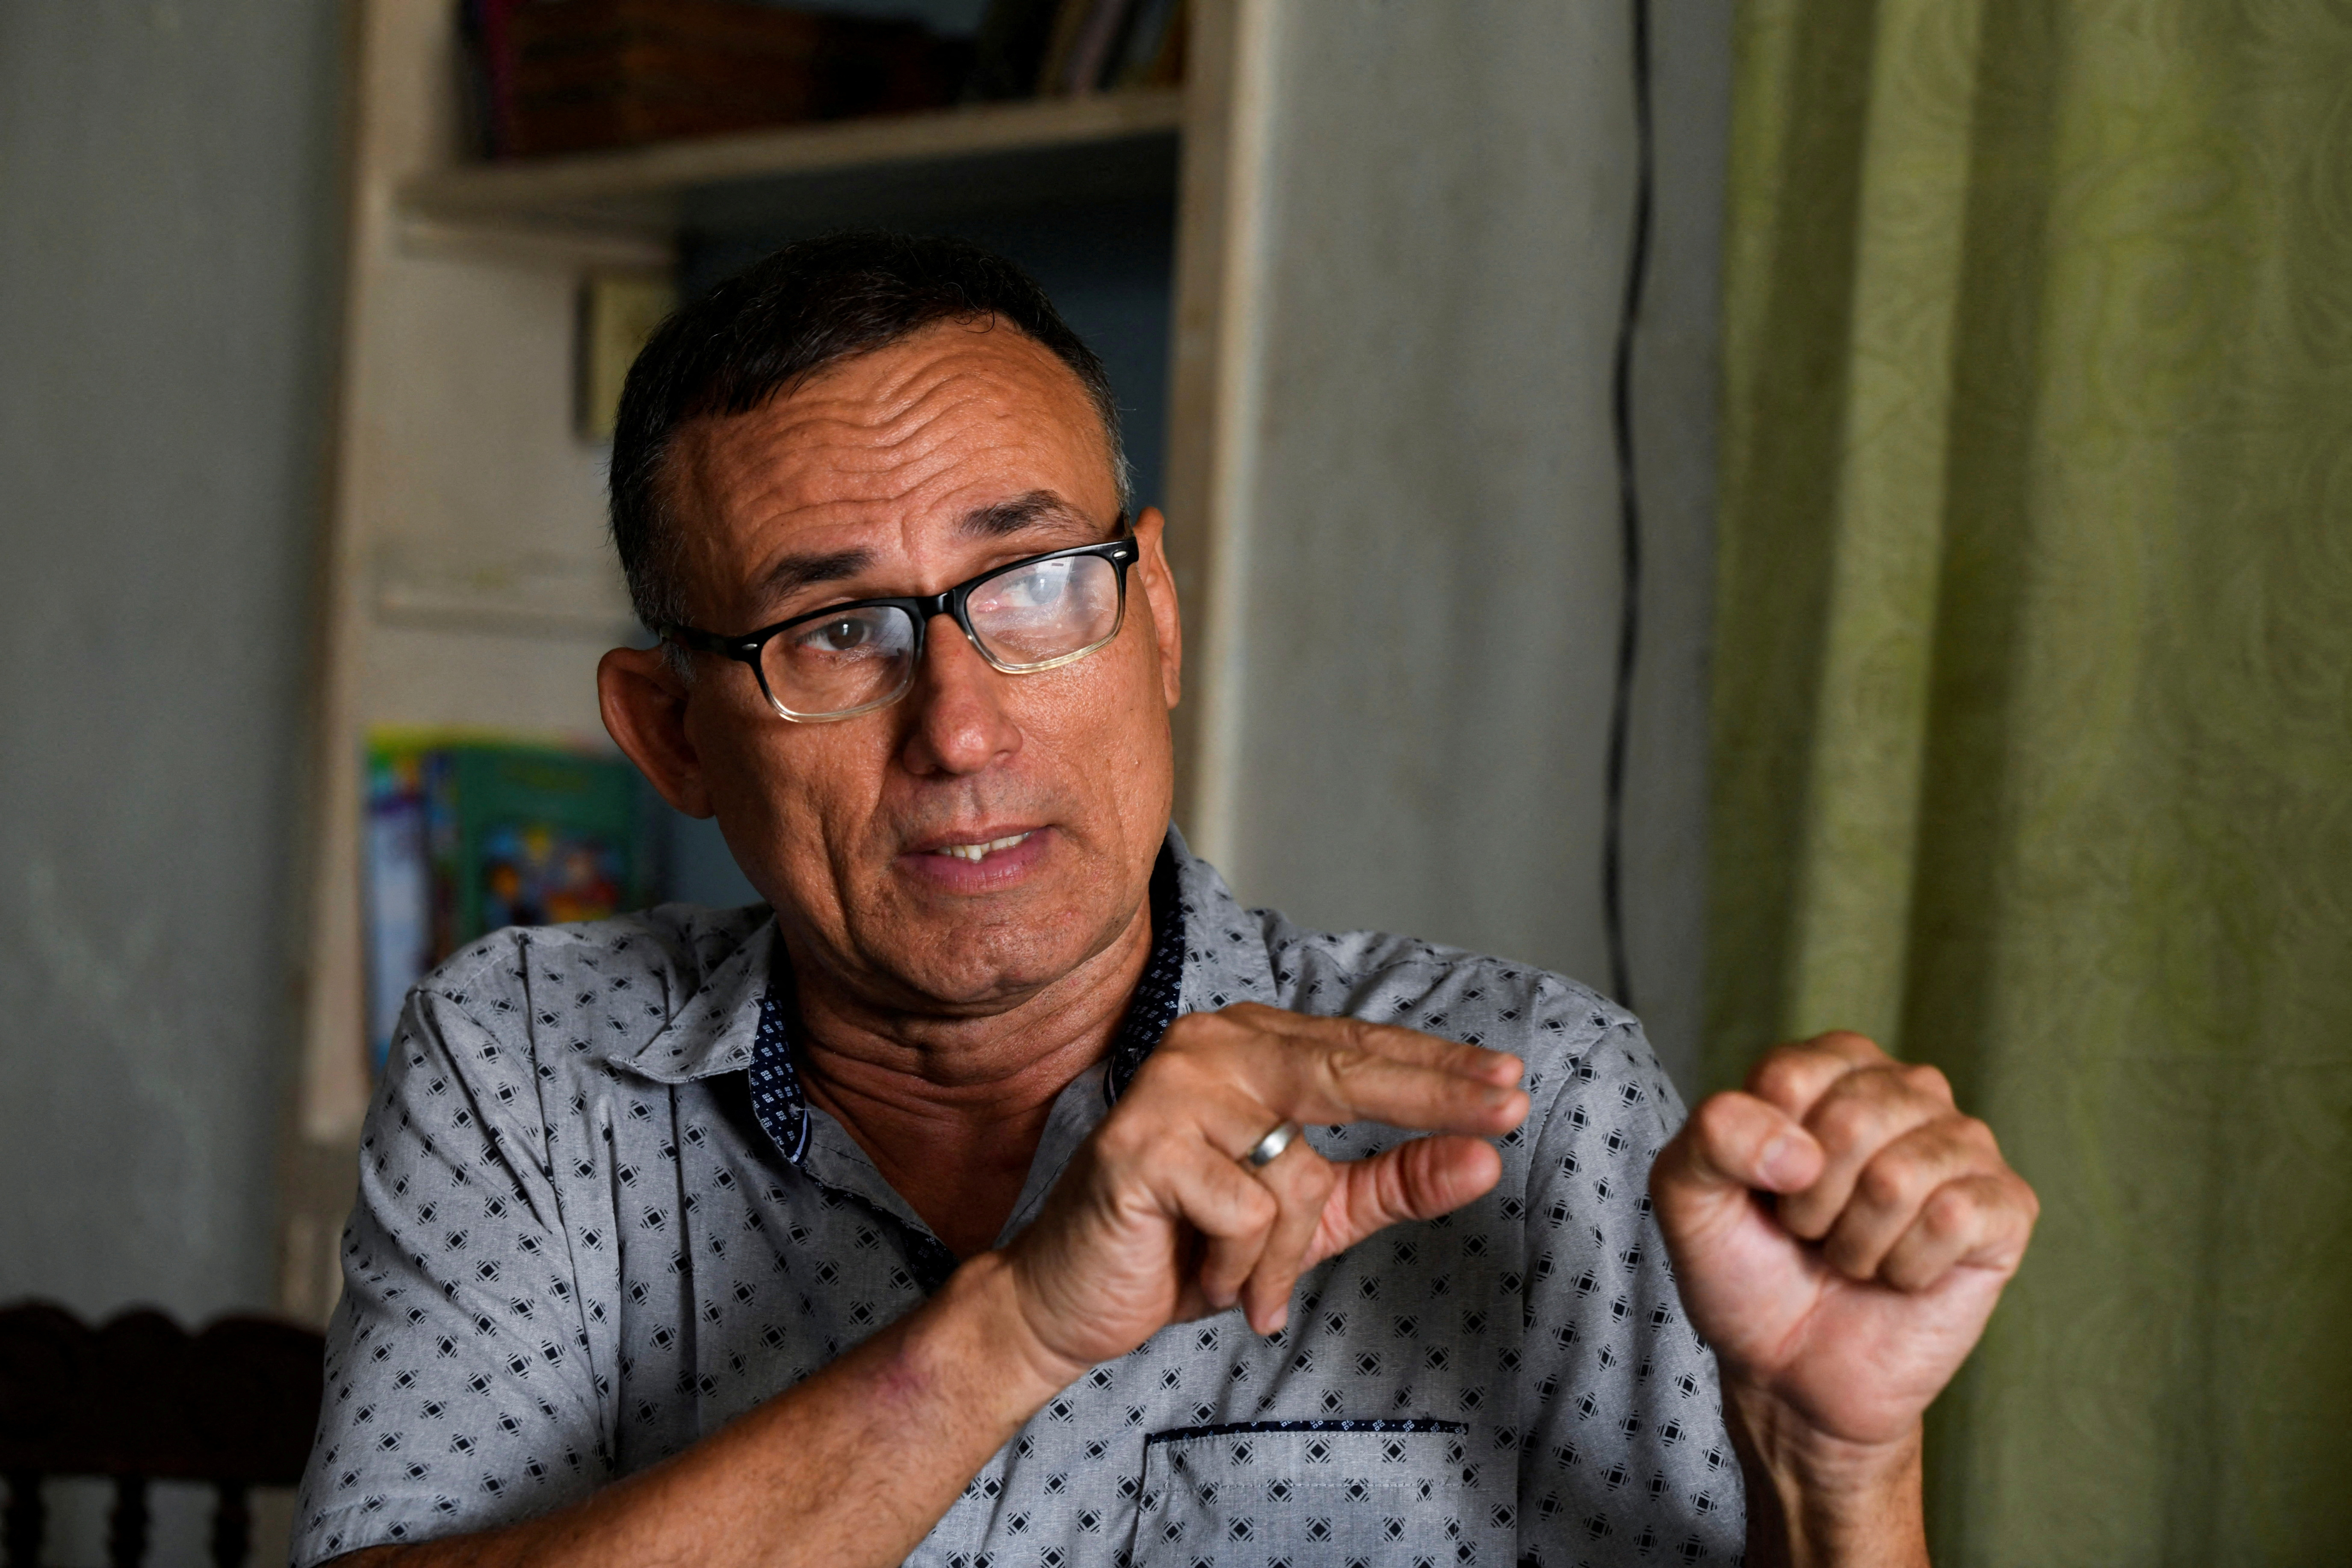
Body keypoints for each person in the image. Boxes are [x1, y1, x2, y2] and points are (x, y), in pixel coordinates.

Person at [294, 233, 2036, 1568]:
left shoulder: (1533, 1101)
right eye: (837, 630)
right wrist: (1014, 1331)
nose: (961, 729)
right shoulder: (525, 1064)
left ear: (1161, 626)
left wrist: (1840, 1471)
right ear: (668, 731)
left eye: (1040, 587)